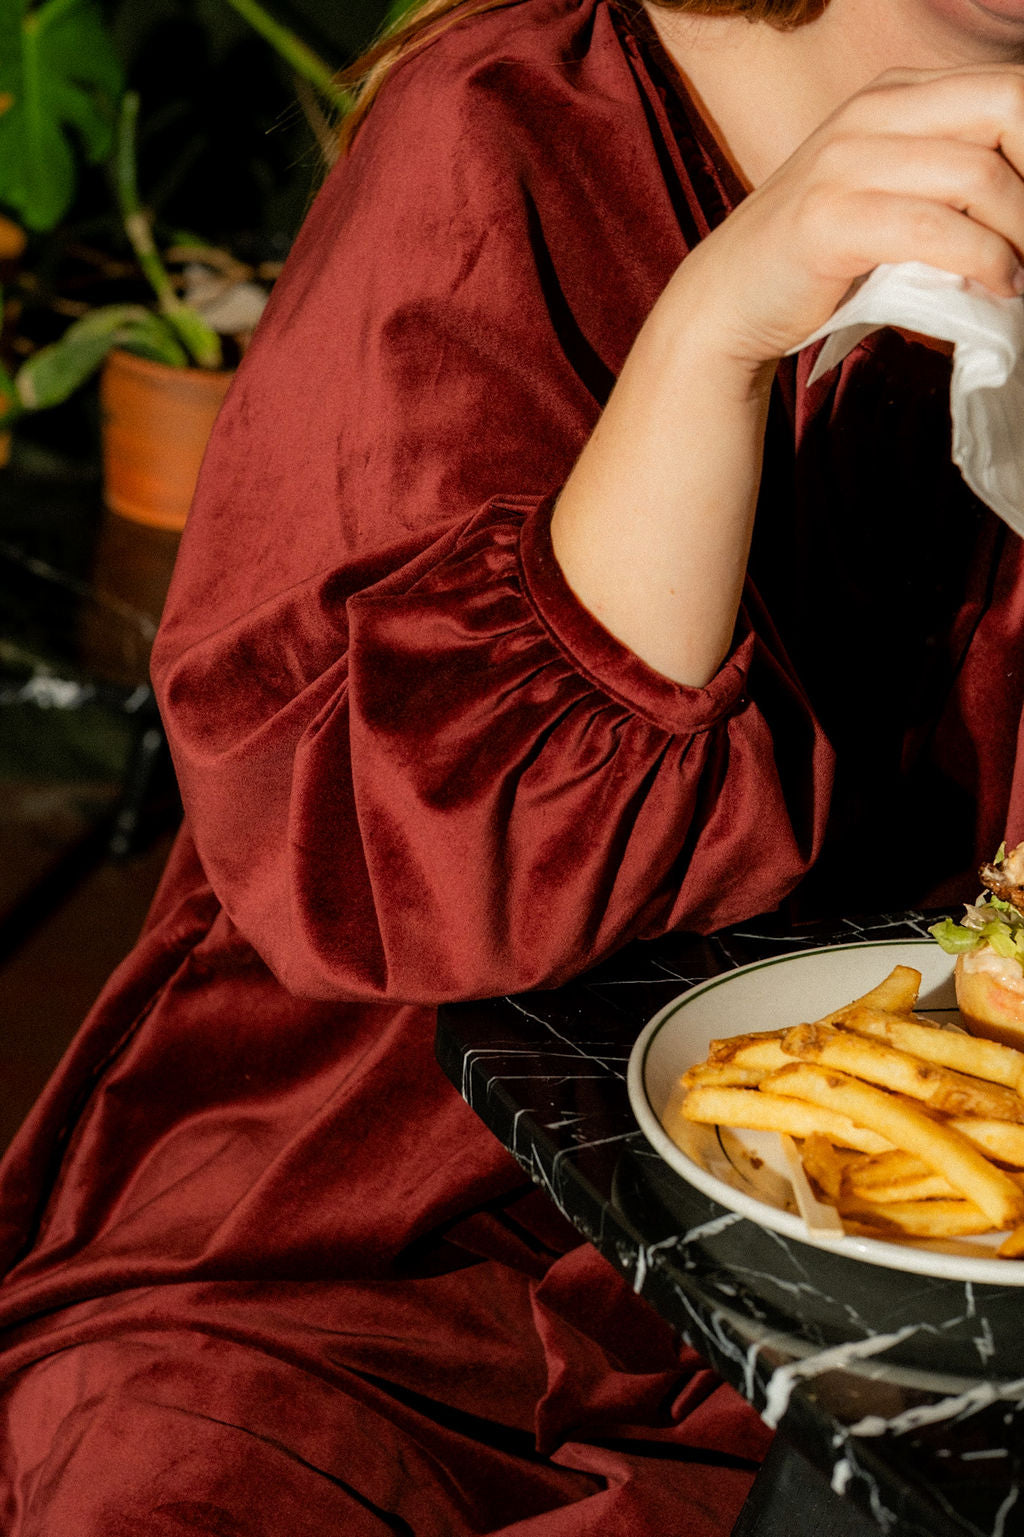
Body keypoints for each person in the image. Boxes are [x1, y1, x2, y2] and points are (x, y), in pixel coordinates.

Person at [3, 0, 1024, 1530]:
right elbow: (387, 858)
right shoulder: (509, 126)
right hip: (359, 1245)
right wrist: (714, 330)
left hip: (853, 1328)